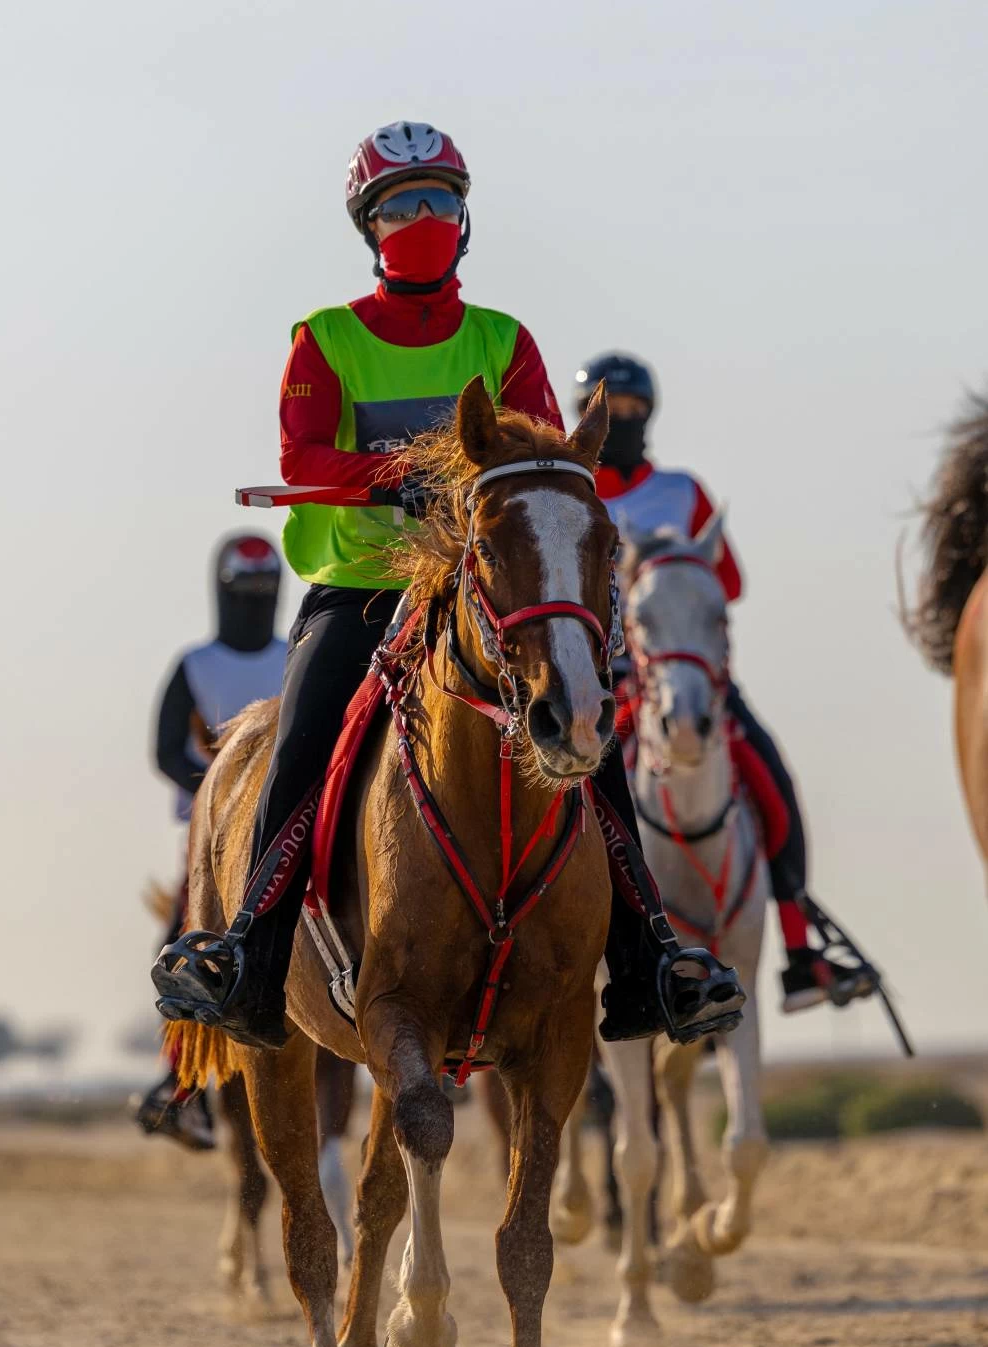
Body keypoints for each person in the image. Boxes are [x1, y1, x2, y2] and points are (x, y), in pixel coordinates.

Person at [152, 121, 741, 1051]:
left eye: (439, 200)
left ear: (464, 220)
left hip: (482, 592)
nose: (422, 217)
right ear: (370, 225)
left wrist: (483, 483)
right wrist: (399, 476)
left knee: (590, 732)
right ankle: (250, 958)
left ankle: (647, 962)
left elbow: (545, 457)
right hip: (360, 587)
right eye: (401, 205)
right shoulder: (326, 337)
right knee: (300, 741)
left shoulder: (504, 339)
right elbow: (301, 458)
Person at [575, 351, 878, 1012]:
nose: (622, 420)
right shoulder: (573, 495)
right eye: (609, 411)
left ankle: (799, 953)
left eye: (632, 409)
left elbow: (729, 582)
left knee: (772, 781)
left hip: (685, 672)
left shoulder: (683, 491)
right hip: (601, 680)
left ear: (650, 414)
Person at [135, 533, 286, 1147]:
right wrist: (224, 794)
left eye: (262, 590)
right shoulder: (194, 666)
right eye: (246, 591)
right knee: (181, 946)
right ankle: (182, 1089)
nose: (254, 601)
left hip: (292, 822)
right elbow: (165, 751)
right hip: (212, 836)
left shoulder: (298, 653)